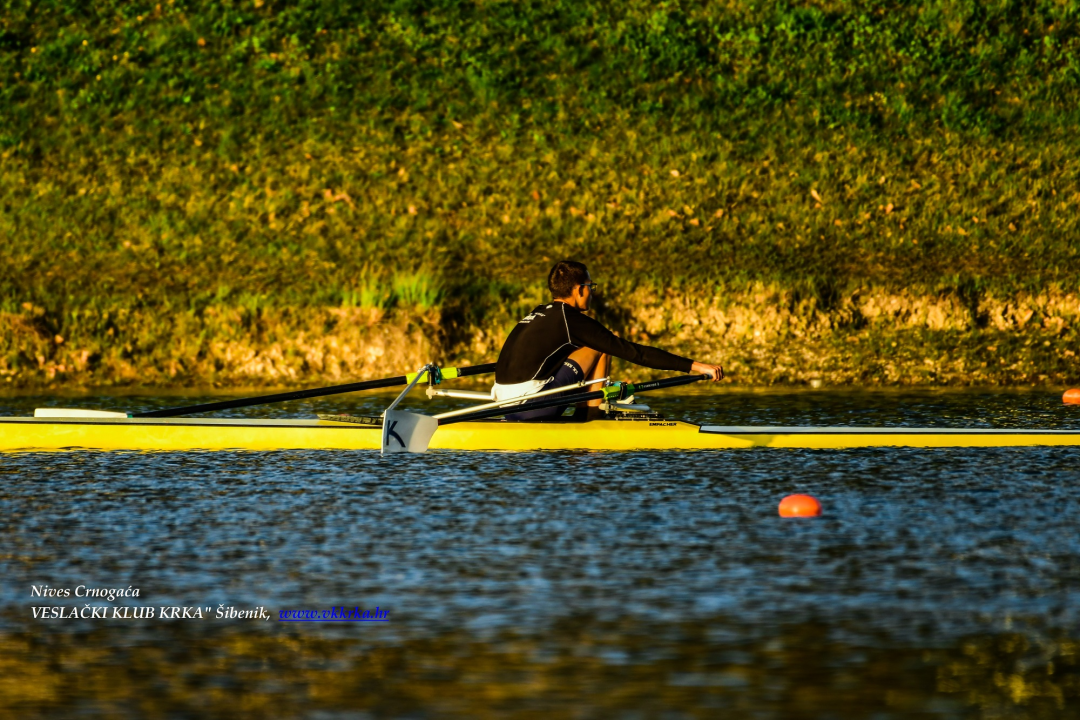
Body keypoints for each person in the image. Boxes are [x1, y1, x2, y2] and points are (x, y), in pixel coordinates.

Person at [493, 260, 724, 420]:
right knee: (601, 347)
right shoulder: (571, 320)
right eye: (590, 287)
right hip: (532, 409)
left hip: (505, 406)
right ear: (578, 290)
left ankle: (586, 406)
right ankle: (591, 417)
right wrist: (695, 366)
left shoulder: (538, 313)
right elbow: (634, 352)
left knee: (584, 348)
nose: (591, 292)